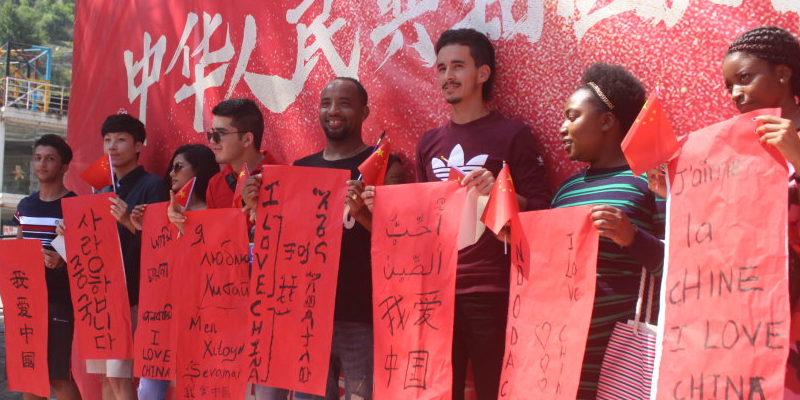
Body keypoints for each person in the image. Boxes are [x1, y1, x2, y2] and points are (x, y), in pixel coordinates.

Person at [365, 28, 551, 400]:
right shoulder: (429, 141)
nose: (447, 76)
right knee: (437, 392)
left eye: (457, 66)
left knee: (493, 390)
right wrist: (379, 208)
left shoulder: (514, 134)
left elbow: (543, 209)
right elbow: (425, 216)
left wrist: (500, 192)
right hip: (435, 291)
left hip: (492, 289)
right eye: (441, 68)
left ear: (483, 73)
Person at [552, 62, 665, 399]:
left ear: (606, 121)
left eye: (573, 117)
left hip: (623, 355)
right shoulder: (565, 190)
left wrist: (632, 237)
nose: (562, 128)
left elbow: (681, 267)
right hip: (561, 350)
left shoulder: (651, 181)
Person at [717, 26, 800, 399]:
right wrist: (674, 195)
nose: (735, 93)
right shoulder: (735, 151)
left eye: (745, 78)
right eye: (729, 86)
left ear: (783, 73)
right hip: (756, 316)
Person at [129, 143, 219, 399]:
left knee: (196, 385)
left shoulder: (218, 213)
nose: (171, 173)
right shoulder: (160, 213)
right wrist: (139, 225)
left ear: (199, 170)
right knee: (149, 387)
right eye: (171, 167)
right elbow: (156, 263)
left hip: (202, 314)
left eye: (178, 167)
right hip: (162, 312)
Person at [89, 113, 167, 400]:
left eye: (120, 140)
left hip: (133, 294)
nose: (112, 146)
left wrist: (126, 221)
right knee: (105, 378)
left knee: (120, 377)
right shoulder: (102, 189)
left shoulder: (153, 185)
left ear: (138, 146)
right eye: (107, 140)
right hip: (101, 294)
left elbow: (162, 245)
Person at [13, 134, 82, 400]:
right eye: (38, 158)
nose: (42, 164)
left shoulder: (75, 205)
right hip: (26, 298)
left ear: (64, 167)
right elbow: (19, 248)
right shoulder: (25, 205)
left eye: (50, 159)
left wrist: (64, 259)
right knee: (31, 374)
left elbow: (89, 255)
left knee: (58, 375)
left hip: (60, 299)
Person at [205, 98, 276, 209]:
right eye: (212, 134)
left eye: (221, 133)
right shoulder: (215, 185)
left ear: (247, 139)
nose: (212, 140)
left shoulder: (284, 175)